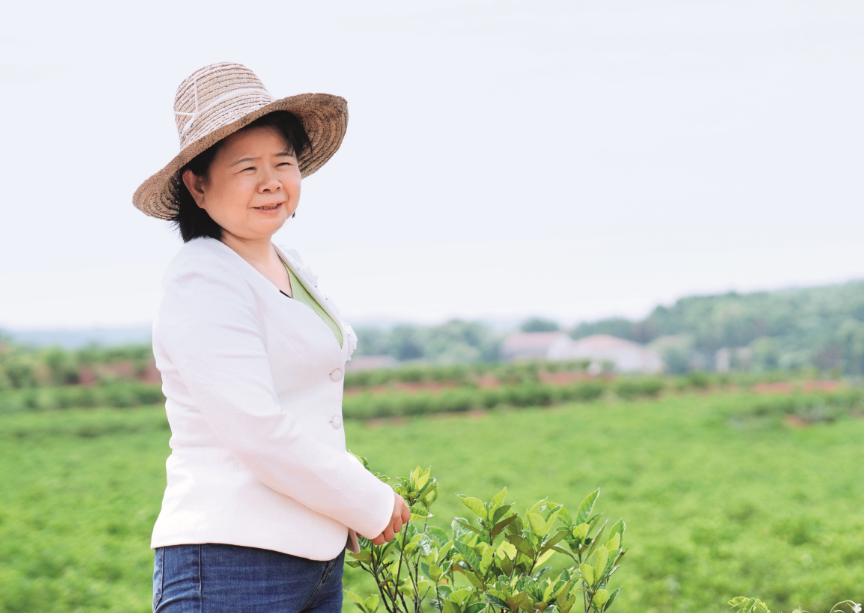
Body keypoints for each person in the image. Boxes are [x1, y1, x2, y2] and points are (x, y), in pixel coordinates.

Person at [133, 62, 410, 613]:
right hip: (231, 561)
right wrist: (366, 499)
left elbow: (307, 410)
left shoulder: (290, 265)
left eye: (282, 162)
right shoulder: (203, 277)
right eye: (246, 167)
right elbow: (256, 430)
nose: (271, 182)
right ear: (197, 184)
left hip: (311, 560)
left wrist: (344, 503)